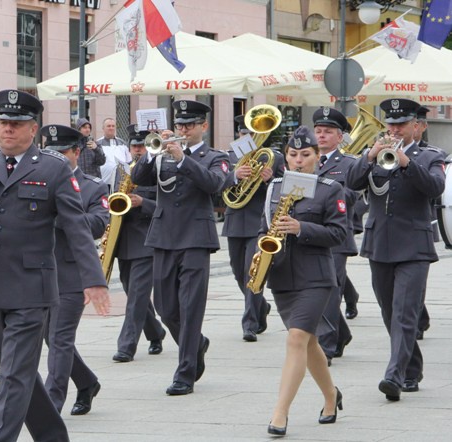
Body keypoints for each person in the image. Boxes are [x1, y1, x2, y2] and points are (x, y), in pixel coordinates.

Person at [0, 89, 110, 441]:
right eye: (3, 123)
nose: (7, 130)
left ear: (33, 129)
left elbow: (77, 227)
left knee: (14, 376)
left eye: (16, 124)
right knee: (19, 372)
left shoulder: (53, 168)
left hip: (31, 289)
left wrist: (94, 279)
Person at [347, 98, 445, 401]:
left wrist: (407, 163)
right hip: (379, 244)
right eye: (390, 124)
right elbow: (352, 183)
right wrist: (369, 157)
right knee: (390, 312)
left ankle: (394, 375)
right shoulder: (374, 153)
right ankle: (412, 368)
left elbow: (435, 187)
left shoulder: (431, 156)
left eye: (401, 124)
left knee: (405, 313)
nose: (394, 129)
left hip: (414, 246)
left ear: (419, 126)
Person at [131, 100, 229, 396]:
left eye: (190, 125)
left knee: (190, 307)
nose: (183, 129)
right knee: (165, 308)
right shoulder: (161, 154)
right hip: (163, 236)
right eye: (181, 124)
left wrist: (184, 158)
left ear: (204, 127)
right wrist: (152, 152)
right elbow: (138, 179)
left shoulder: (215, 156)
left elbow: (215, 185)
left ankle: (185, 372)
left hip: (196, 238)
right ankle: (196, 344)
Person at [264, 126, 347, 437]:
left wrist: (301, 228)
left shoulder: (330, 189)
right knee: (309, 344)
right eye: (293, 155)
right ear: (286, 158)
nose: (299, 160)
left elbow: (339, 234)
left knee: (297, 338)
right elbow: (264, 229)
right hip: (282, 276)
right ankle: (331, 395)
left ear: (317, 156)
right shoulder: (274, 188)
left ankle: (280, 413)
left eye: (306, 155)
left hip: (316, 277)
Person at [40, 124, 109, 415]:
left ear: (76, 153)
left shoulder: (94, 186)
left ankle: (50, 404)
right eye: (49, 152)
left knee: (60, 337)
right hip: (39, 270)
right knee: (48, 334)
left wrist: (65, 213)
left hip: (71, 272)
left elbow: (98, 224)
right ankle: (86, 381)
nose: (55, 157)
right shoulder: (37, 182)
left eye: (62, 152)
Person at [222, 115, 284, 342]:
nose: (247, 137)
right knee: (239, 273)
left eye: (251, 133)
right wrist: (234, 176)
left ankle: (249, 323)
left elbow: (284, 188)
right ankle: (261, 306)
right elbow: (218, 184)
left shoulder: (273, 157)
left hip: (258, 221)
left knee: (253, 271)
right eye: (243, 134)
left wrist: (269, 180)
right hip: (235, 219)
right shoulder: (229, 157)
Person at [112, 124, 166, 362]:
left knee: (136, 296)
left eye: (141, 146)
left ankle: (126, 346)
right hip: (123, 241)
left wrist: (142, 202)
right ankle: (156, 332)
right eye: (134, 146)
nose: (137, 150)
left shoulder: (161, 170)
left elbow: (168, 209)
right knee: (132, 292)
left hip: (147, 241)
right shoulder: (123, 170)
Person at [312, 107, 357, 364]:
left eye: (328, 132)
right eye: (318, 131)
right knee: (318, 289)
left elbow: (353, 196)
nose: (321, 136)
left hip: (337, 235)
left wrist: (326, 191)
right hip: (309, 234)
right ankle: (341, 334)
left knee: (330, 290)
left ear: (340, 137)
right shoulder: (304, 159)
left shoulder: (349, 164)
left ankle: (326, 346)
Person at [413, 105, 437, 340]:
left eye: (418, 124)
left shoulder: (431, 154)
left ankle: (418, 320)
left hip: (422, 221)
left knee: (417, 280)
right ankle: (420, 316)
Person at [97, 117, 131, 191]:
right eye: (108, 126)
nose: (111, 128)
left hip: (120, 184)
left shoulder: (123, 144)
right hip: (103, 183)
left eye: (113, 126)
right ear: (103, 128)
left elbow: (129, 162)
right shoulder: (97, 144)